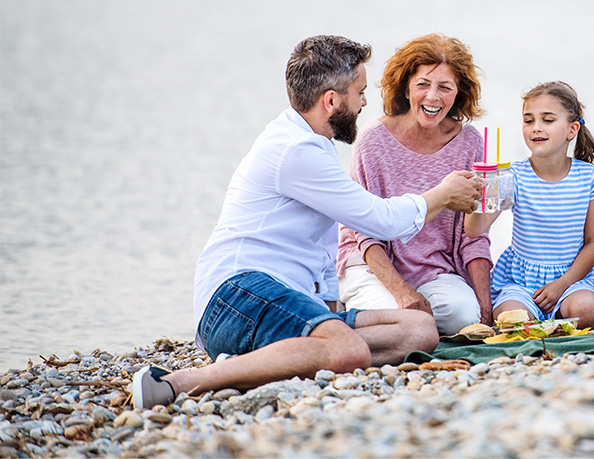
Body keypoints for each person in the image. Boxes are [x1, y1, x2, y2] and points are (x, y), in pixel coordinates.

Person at [131, 35, 482, 410]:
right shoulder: (295, 151)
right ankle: (176, 384)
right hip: (237, 296)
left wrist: (331, 311)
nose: (365, 102)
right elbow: (379, 219)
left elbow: (322, 247)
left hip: (290, 303)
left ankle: (274, 362)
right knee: (346, 350)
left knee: (419, 330)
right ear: (331, 101)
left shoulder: (316, 143)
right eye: (359, 92)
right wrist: (443, 194)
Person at [338, 34, 494, 334]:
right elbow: (363, 231)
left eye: (444, 87)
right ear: (406, 87)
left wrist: (483, 305)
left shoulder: (470, 143)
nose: (433, 97)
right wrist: (402, 293)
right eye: (423, 84)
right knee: (404, 323)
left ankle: (395, 323)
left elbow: (474, 235)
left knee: (464, 316)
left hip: (435, 270)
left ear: (458, 92)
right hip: (372, 266)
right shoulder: (373, 140)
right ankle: (354, 314)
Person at [466, 81, 594, 329]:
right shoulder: (513, 176)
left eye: (548, 120)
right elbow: (475, 230)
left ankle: (559, 320)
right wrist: (480, 195)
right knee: (511, 320)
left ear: (572, 129)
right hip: (521, 281)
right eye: (528, 120)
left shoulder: (588, 177)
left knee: (586, 311)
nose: (536, 128)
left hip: (572, 278)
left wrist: (561, 285)